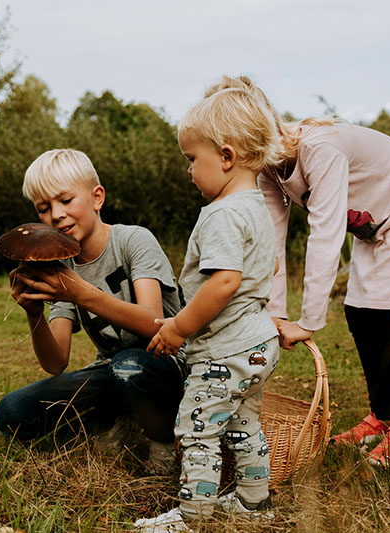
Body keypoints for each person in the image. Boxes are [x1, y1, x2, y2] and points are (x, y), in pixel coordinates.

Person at [206, 76, 390, 467]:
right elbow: (273, 241)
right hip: (374, 226)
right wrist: (274, 312)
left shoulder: (318, 148)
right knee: (360, 312)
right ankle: (382, 417)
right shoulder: (270, 169)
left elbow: (324, 235)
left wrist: (307, 321)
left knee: (377, 312)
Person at [134, 88, 280, 531]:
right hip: (257, 345)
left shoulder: (221, 214)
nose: (189, 170)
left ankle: (194, 515)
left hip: (224, 351)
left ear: (227, 156)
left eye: (192, 159)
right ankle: (255, 502)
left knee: (197, 429)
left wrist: (179, 326)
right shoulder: (259, 208)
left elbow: (224, 282)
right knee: (242, 424)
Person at [0, 148, 185, 471]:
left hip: (168, 366)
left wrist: (82, 293)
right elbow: (56, 362)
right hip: (110, 370)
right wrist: (33, 314)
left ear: (97, 197)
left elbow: (155, 324)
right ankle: (116, 417)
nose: (56, 215)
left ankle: (164, 439)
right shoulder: (60, 265)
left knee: (129, 367)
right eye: (43, 208)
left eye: (66, 201)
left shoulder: (133, 241)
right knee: (12, 411)